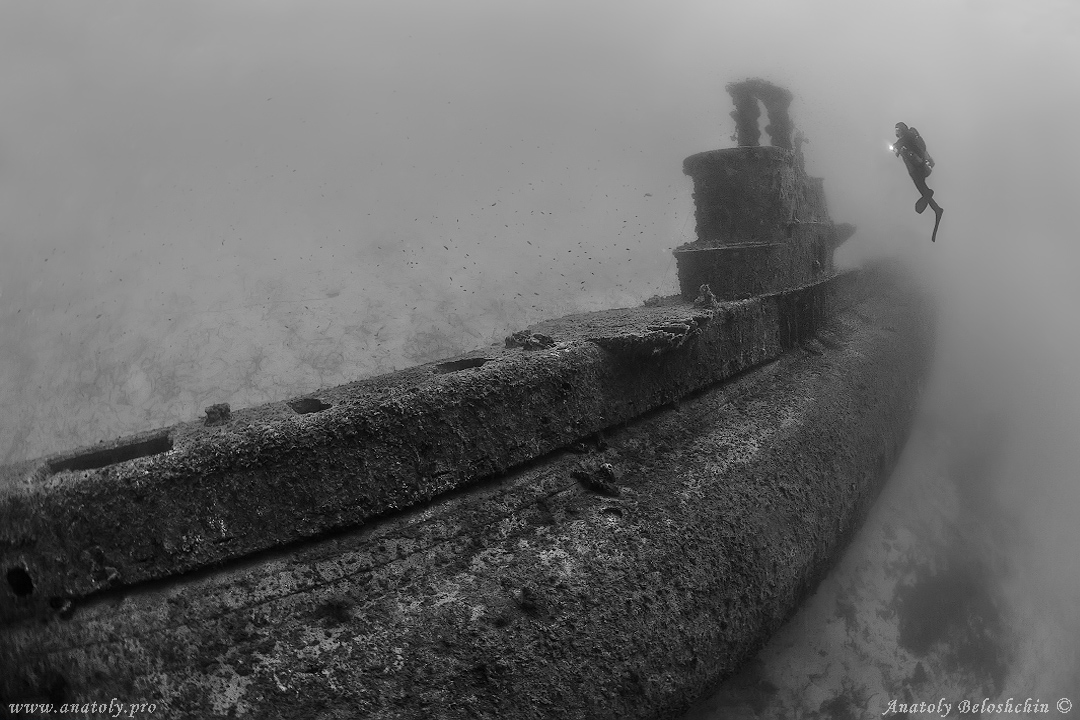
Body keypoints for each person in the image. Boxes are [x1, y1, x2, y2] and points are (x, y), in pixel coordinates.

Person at [892, 122, 944, 242]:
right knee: (923, 191)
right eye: (895, 129)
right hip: (916, 170)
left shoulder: (907, 136)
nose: (896, 131)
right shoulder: (907, 138)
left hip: (918, 169)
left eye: (898, 128)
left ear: (903, 129)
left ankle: (930, 195)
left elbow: (901, 143)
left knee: (925, 191)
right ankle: (937, 209)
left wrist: (896, 146)